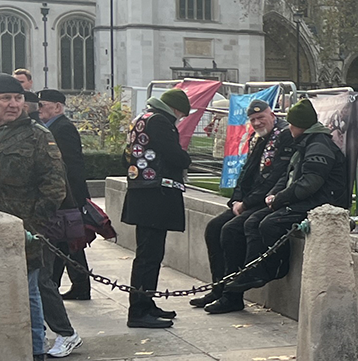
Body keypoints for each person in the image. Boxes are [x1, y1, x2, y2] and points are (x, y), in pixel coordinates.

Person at [0, 74, 68, 361]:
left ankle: (33, 351)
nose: (13, 104)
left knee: (29, 291)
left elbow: (54, 184)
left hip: (24, 227)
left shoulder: (37, 134)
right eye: (5, 98)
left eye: (18, 98)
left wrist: (35, 225)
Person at [211, 99, 346, 313]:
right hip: (298, 199)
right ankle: (238, 280)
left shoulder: (317, 144)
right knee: (246, 223)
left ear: (299, 125)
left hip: (320, 204)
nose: (289, 127)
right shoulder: (304, 142)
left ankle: (270, 268)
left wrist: (279, 198)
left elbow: (310, 183)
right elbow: (287, 176)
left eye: (292, 123)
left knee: (267, 223)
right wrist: (276, 195)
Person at [192, 99, 286, 312]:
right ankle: (219, 288)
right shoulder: (259, 137)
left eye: (261, 117)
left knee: (230, 231)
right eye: (253, 120)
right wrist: (236, 200)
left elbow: (274, 179)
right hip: (248, 201)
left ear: (272, 115)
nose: (257, 122)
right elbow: (246, 173)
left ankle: (232, 297)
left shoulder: (282, 137)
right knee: (213, 228)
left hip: (266, 202)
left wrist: (246, 204)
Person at [119, 87, 192, 329]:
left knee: (149, 254)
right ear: (174, 109)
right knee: (149, 256)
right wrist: (186, 159)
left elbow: (126, 155)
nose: (179, 120)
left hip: (142, 193)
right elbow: (173, 155)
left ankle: (146, 303)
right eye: (181, 115)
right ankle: (139, 311)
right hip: (156, 196)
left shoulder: (142, 118)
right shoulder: (161, 122)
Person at [34, 90, 91, 358]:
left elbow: (69, 169)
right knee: (50, 269)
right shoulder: (44, 128)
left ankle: (65, 331)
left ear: (57, 106)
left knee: (48, 271)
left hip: (59, 207)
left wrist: (75, 203)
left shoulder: (62, 129)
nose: (38, 109)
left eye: (41, 105)